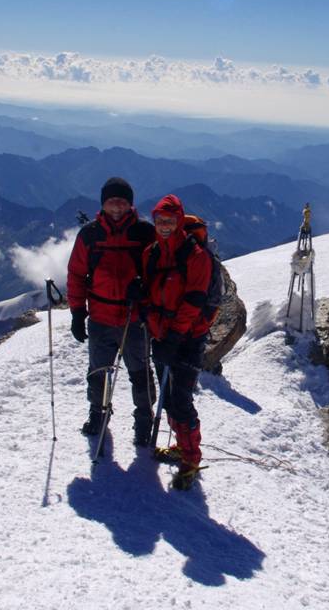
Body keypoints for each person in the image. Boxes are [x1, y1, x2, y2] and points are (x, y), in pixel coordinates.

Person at [66, 177, 155, 445]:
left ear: (130, 204)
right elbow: (76, 275)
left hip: (134, 317)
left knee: (140, 372)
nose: (117, 206)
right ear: (103, 203)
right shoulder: (90, 235)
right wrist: (77, 313)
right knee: (98, 371)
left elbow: (159, 272)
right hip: (101, 317)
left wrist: (145, 288)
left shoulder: (144, 233)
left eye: (122, 201)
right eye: (111, 201)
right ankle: (98, 414)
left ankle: (144, 419)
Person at [142, 194, 212, 490]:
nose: (166, 226)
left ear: (180, 221)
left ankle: (191, 459)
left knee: (182, 401)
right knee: (169, 398)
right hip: (161, 336)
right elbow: (149, 292)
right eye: (160, 221)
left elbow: (195, 300)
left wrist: (175, 335)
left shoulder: (196, 257)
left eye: (171, 221)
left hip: (187, 339)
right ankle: (181, 447)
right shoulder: (152, 253)